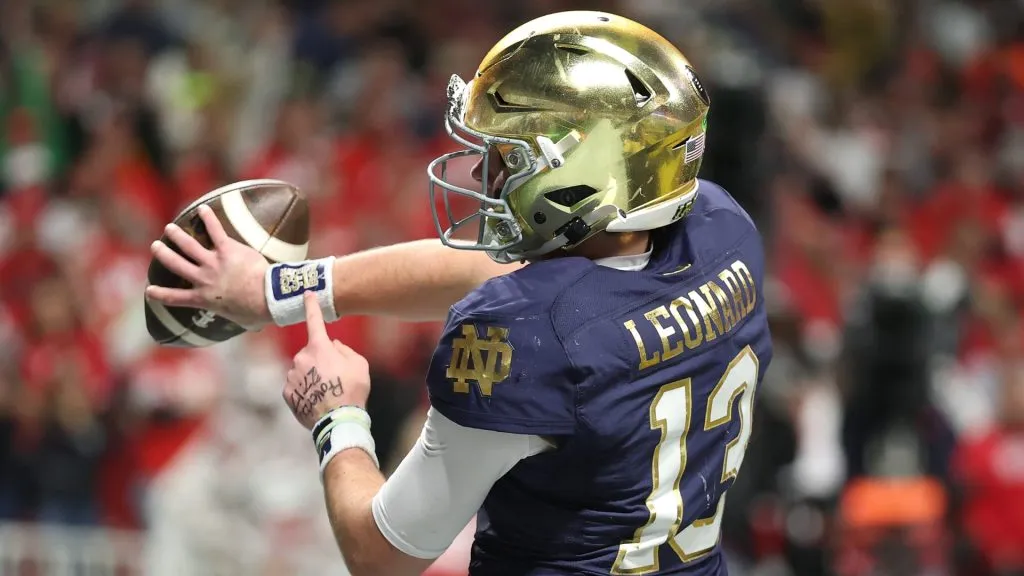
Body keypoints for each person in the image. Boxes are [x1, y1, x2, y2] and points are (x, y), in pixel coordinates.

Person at [145, 11, 772, 576]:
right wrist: (282, 289)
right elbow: (527, 282)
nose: (483, 174)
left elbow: (380, 552)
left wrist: (336, 417)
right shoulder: (721, 232)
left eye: (508, 156)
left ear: (586, 174)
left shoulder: (525, 339)